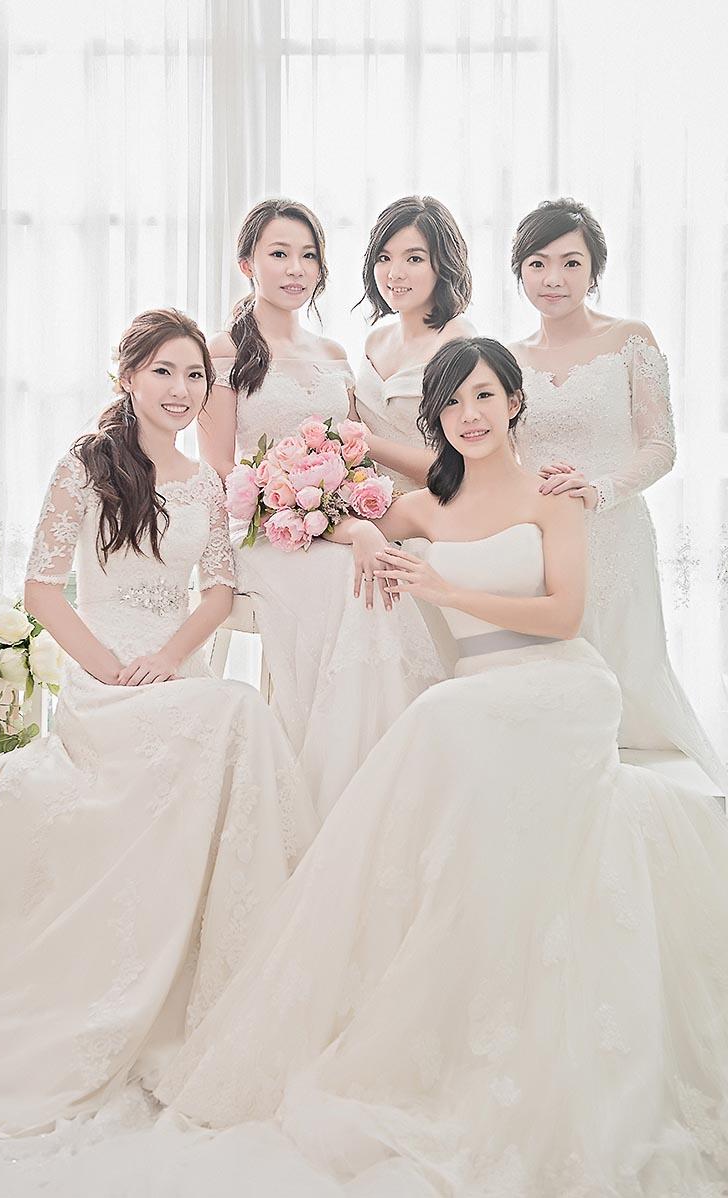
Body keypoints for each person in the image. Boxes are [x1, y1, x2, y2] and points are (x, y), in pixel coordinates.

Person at [155, 338, 728, 1195]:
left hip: (562, 684)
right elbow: (319, 518)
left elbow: (564, 615)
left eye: (485, 396)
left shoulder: (553, 495)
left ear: (514, 404)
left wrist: (444, 591)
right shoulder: (426, 507)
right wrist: (360, 532)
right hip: (478, 694)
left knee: (438, 718)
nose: (470, 414)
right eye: (453, 402)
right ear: (437, 419)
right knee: (442, 726)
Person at [0, 308, 315, 1138]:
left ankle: (246, 971)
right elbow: (41, 588)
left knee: (234, 712)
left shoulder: (205, 484)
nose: (181, 390)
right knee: (237, 712)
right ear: (129, 376)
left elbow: (218, 590)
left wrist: (170, 657)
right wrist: (106, 666)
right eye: (164, 372)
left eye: (195, 376)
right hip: (102, 676)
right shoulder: (87, 465)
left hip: (172, 671)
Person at [197, 198, 444, 819]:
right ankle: (324, 778)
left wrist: (344, 513)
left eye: (308, 256)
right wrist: (310, 513)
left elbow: (354, 451)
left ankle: (383, 771)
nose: (296, 269)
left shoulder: (334, 354)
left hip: (332, 518)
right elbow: (221, 467)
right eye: (279, 254)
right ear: (247, 263)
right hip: (261, 527)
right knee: (350, 576)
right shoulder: (221, 352)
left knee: (380, 570)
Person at [508, 196, 727, 792]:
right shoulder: (510, 358)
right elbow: (505, 457)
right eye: (537, 263)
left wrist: (599, 490)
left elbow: (661, 447)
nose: (553, 278)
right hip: (543, 540)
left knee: (627, 678)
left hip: (617, 530)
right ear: (520, 270)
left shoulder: (630, 339)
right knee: (556, 675)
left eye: (571, 263)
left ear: (594, 270)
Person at [352, 194, 476, 492]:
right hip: (368, 506)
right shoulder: (375, 340)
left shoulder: (457, 340)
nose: (395, 274)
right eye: (384, 258)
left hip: (434, 508)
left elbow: (457, 468)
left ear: (443, 264)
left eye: (414, 259)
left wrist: (364, 444)